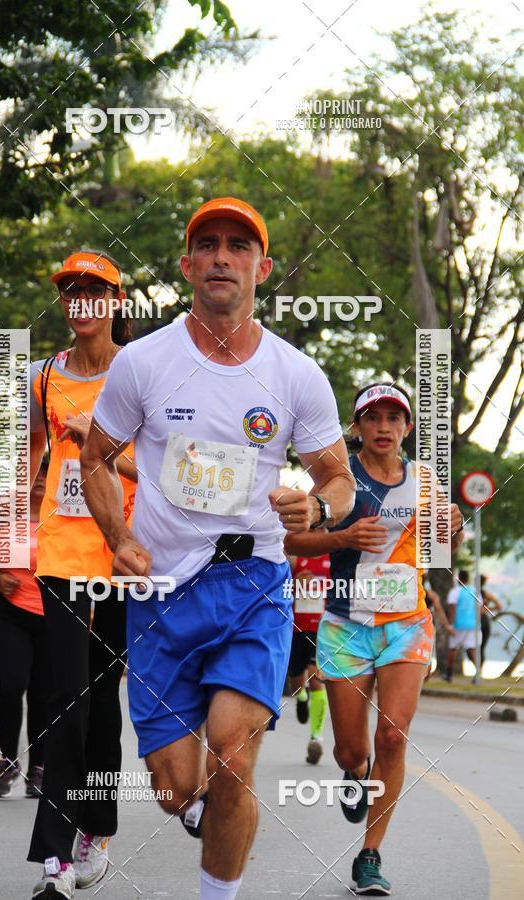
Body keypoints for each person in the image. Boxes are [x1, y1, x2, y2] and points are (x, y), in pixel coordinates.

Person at [81, 197, 355, 900]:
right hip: (161, 596)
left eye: (239, 245)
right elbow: (96, 459)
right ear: (188, 265)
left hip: (251, 584)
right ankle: (193, 797)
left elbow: (338, 478)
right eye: (208, 245)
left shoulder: (295, 374)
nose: (223, 257)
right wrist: (120, 539)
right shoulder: (143, 363)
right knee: (176, 790)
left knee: (233, 759)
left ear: (262, 267)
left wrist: (318, 504)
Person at [286, 382, 463, 895]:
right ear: (357, 427)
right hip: (346, 624)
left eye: (394, 417)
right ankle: (354, 771)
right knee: (350, 750)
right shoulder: (341, 480)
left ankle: (369, 855)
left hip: (408, 623)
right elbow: (291, 540)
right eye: (373, 417)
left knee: (393, 736)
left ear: (407, 427)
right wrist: (341, 537)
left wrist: (453, 527)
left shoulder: (426, 480)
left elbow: (439, 549)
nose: (383, 427)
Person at [26, 249, 137, 900]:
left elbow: (161, 471)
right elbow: (26, 464)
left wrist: (98, 444)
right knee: (63, 705)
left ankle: (96, 826)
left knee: (100, 709)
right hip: (62, 558)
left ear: (116, 302)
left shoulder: (140, 375)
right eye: (71, 291)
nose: (82, 301)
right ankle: (52, 856)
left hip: (120, 560)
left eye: (95, 290)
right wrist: (17, 546)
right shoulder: (43, 377)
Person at [0, 460, 50, 799]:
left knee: (42, 695)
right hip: (12, 615)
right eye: (35, 474)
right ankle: (8, 761)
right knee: (10, 687)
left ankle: (39, 768)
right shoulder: (5, 517)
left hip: (52, 618)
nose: (39, 482)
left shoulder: (62, 518)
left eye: (45, 477)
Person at [284, 552, 330, 764]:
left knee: (316, 679)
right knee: (296, 681)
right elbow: (278, 581)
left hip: (322, 629)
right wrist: (294, 582)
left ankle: (316, 738)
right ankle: (301, 697)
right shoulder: (295, 555)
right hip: (296, 629)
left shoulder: (334, 555)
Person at [444, 570, 480, 681]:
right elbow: (479, 608)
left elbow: (452, 609)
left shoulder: (455, 592)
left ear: (458, 578)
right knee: (472, 649)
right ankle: (478, 673)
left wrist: (450, 624)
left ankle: (449, 674)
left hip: (458, 625)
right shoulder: (475, 591)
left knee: (453, 648)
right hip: (473, 625)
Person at [480, 573, 502, 670]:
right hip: (485, 620)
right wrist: (487, 609)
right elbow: (498, 606)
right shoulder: (485, 594)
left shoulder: (472, 592)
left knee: (474, 648)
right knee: (481, 648)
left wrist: (485, 609)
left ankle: (479, 671)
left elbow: (499, 606)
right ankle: (479, 671)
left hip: (479, 621)